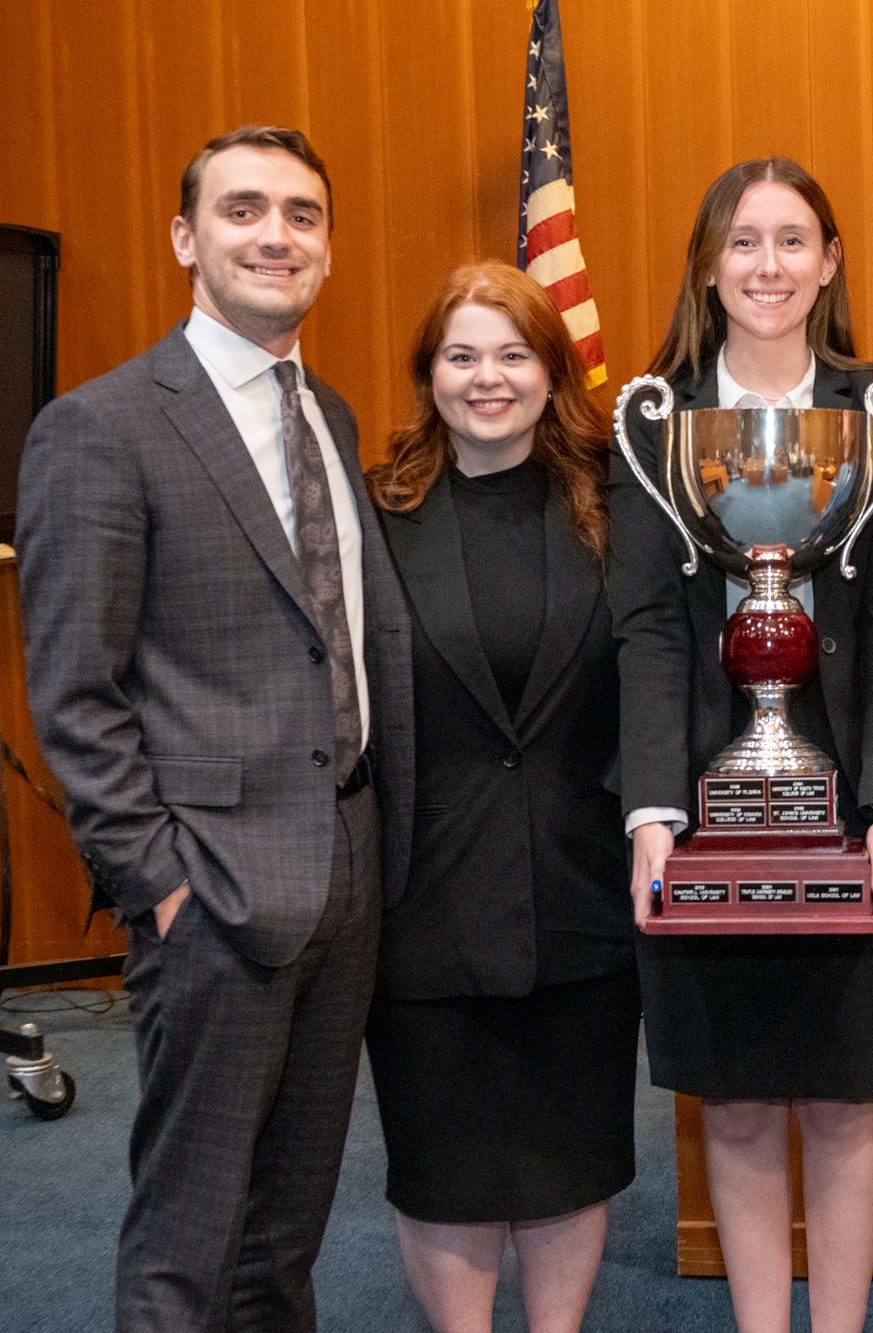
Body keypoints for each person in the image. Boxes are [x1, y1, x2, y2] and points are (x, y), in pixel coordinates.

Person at [17, 125, 412, 1333]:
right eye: (243, 211)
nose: (275, 235)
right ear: (187, 239)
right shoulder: (104, 427)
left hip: (345, 874)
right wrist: (157, 881)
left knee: (284, 1233)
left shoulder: (331, 418)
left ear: (328, 250)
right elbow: (74, 689)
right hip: (209, 895)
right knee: (188, 1237)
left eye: (301, 214)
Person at [611, 157, 873, 1333]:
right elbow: (646, 629)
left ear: (829, 260)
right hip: (705, 817)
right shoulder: (653, 420)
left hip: (853, 812)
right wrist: (651, 808)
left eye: (791, 240)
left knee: (848, 1101)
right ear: (708, 262)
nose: (766, 265)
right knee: (738, 1104)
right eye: (741, 242)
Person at [361, 261, 635, 1333]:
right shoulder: (376, 516)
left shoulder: (616, 504)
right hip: (424, 898)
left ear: (551, 369)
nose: (489, 378)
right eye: (462, 355)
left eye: (514, 353)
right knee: (445, 1168)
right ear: (428, 374)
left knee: (573, 1159)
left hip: (584, 887)